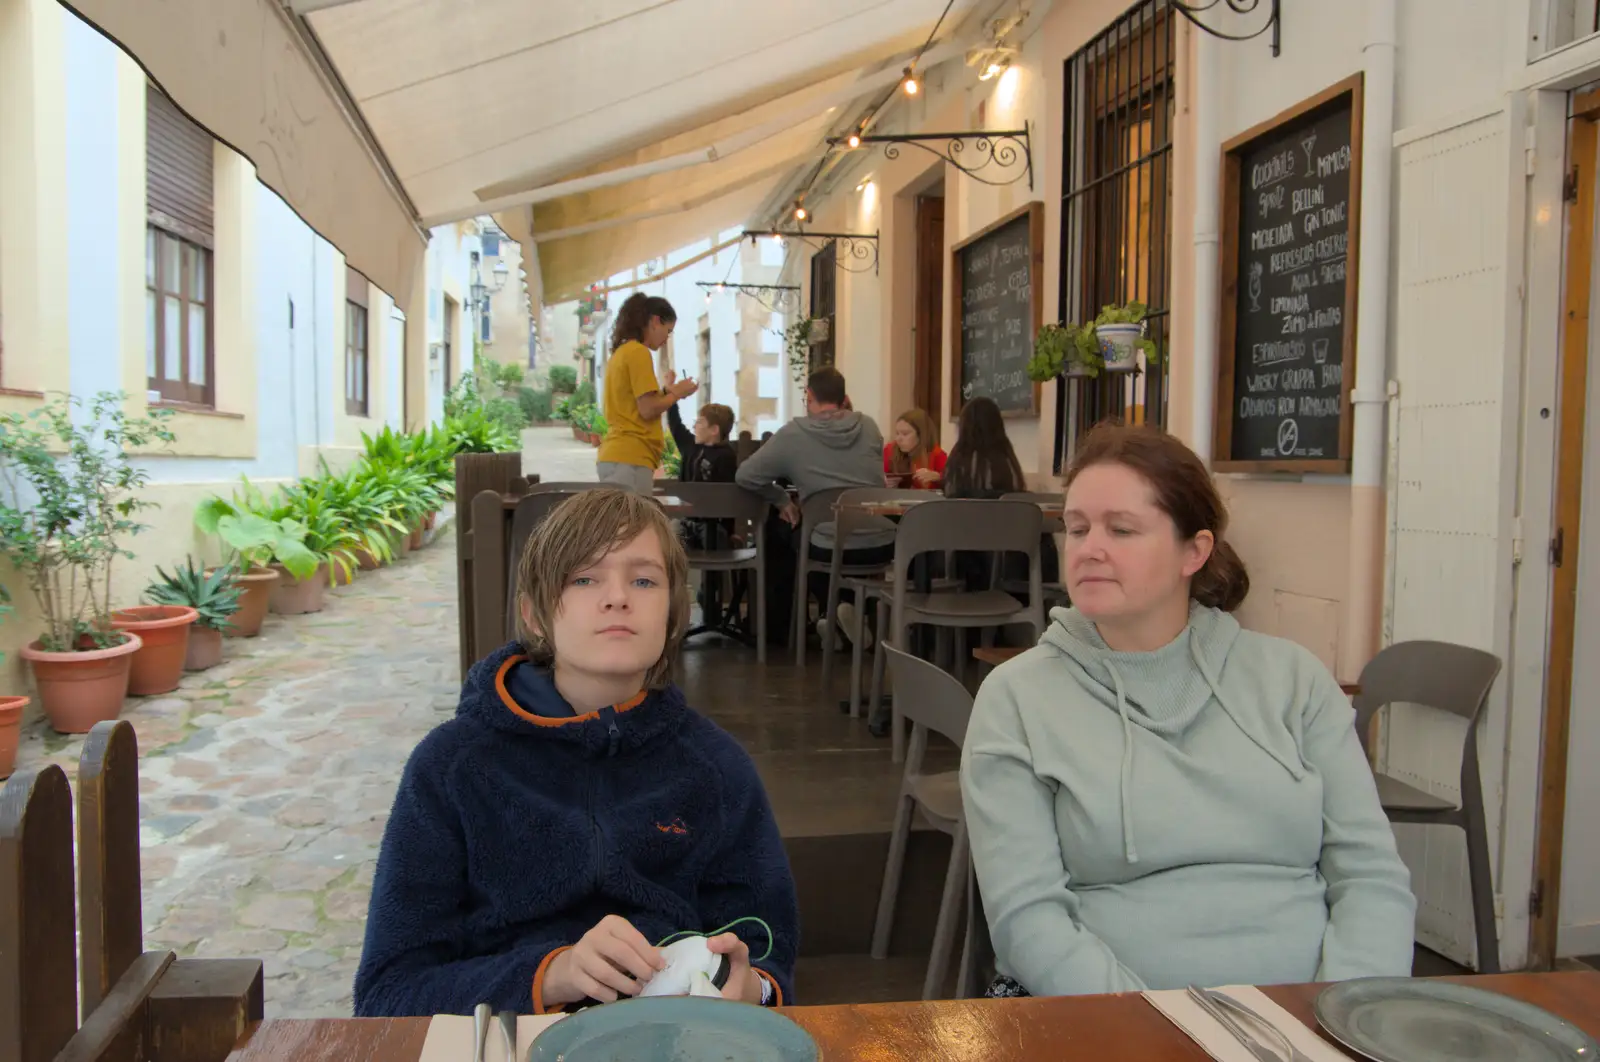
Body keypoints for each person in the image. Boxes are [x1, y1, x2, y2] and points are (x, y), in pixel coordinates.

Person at [960, 422, 1415, 999]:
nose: (1089, 548)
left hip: (1311, 1020)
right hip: (1112, 1026)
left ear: (1193, 551)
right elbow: (1027, 918)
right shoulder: (1017, 698)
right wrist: (1154, 1035)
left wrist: (1341, 1017)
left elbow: (1371, 876)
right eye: (1076, 529)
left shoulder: (1293, 681)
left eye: (1121, 529)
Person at [354, 489, 798, 1016]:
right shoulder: (451, 767)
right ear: (535, 615)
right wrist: (553, 975)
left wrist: (755, 988)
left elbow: (767, 948)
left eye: (644, 579)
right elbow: (388, 993)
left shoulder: (715, 767)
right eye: (584, 579)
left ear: (674, 613)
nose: (617, 598)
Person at [735, 367, 891, 647]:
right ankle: (840, 620)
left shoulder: (793, 433)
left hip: (827, 542)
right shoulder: (869, 427)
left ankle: (783, 631)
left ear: (808, 395)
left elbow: (745, 475)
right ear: (844, 398)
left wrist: (782, 500)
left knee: (793, 533)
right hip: (880, 541)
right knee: (820, 535)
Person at [596, 293, 698, 494]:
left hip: (618, 455)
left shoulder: (622, 352)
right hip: (630, 456)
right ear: (655, 321)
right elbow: (648, 409)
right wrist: (676, 394)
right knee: (634, 525)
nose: (666, 339)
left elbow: (637, 403)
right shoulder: (638, 352)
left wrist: (669, 390)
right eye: (668, 331)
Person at [942, 397, 1026, 500]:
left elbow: (950, 496)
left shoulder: (959, 458)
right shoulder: (1008, 459)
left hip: (966, 515)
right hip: (1004, 516)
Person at [884, 408, 946, 490]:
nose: (898, 439)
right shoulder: (889, 449)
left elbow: (953, 482)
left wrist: (939, 477)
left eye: (905, 434)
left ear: (921, 435)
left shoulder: (937, 454)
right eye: (897, 433)